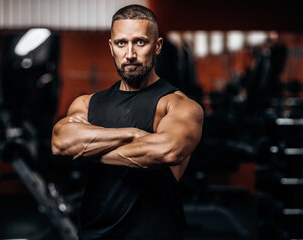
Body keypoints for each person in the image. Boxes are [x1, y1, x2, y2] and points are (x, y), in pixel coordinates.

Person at [52, 4, 203, 240]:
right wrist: (134, 134)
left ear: (158, 46)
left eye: (140, 42)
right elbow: (61, 142)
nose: (130, 54)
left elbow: (167, 150)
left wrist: (87, 149)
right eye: (122, 43)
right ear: (111, 47)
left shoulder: (177, 105)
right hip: (94, 234)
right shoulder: (87, 104)